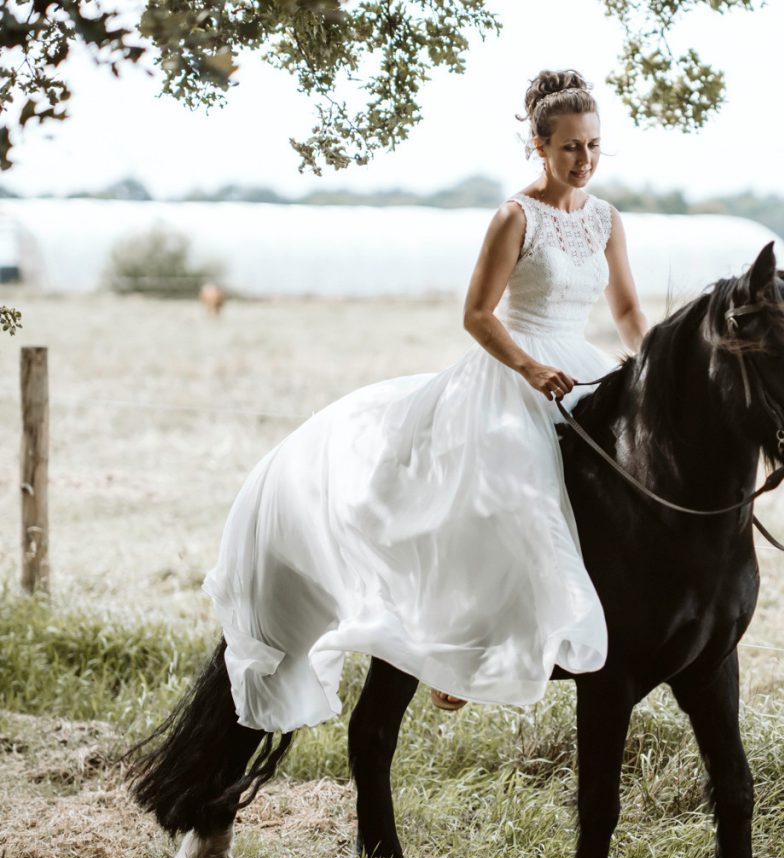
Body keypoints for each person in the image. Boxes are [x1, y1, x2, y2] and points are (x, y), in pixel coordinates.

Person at [202, 69, 648, 731]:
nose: (583, 160)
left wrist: (651, 365)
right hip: (513, 368)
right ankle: (457, 652)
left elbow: (628, 307)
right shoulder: (514, 216)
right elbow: (477, 314)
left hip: (582, 367)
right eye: (570, 148)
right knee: (509, 487)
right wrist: (528, 367)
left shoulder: (606, 220)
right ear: (539, 146)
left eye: (593, 146)